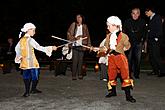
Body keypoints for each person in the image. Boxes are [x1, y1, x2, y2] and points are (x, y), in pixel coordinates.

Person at [98, 16, 136, 103]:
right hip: (111, 58)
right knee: (111, 75)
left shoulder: (123, 36)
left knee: (125, 76)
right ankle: (113, 92)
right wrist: (99, 49)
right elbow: (106, 47)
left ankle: (128, 95)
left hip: (120, 58)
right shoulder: (108, 36)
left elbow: (128, 46)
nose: (108, 28)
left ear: (116, 26)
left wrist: (125, 48)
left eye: (109, 26)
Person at [15, 23, 57, 97]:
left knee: (26, 76)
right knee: (35, 76)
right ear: (28, 30)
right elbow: (39, 47)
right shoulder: (30, 40)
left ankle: (27, 92)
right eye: (33, 30)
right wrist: (51, 48)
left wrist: (19, 55)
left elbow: (17, 49)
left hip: (24, 62)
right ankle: (32, 89)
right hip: (32, 62)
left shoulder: (21, 40)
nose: (34, 32)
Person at [123, 7, 147, 79]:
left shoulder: (143, 22)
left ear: (139, 14)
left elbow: (145, 32)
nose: (135, 15)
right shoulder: (127, 21)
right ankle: (129, 74)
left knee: (138, 59)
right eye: (133, 13)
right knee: (129, 59)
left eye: (137, 13)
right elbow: (124, 32)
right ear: (131, 14)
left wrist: (143, 41)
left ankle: (136, 74)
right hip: (129, 43)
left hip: (138, 43)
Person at [67, 14, 91, 80]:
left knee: (81, 61)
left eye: (79, 17)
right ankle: (74, 75)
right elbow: (68, 33)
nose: (78, 18)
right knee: (75, 60)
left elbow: (88, 36)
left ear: (82, 18)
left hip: (82, 45)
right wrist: (75, 38)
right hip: (75, 45)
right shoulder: (73, 24)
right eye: (77, 17)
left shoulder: (85, 26)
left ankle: (80, 74)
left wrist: (89, 46)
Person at [145, 6, 164, 77]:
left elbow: (159, 29)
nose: (145, 14)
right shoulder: (151, 18)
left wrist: (156, 38)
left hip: (155, 40)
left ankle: (162, 71)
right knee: (152, 57)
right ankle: (155, 71)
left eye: (146, 12)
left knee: (156, 56)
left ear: (149, 11)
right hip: (151, 40)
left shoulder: (157, 17)